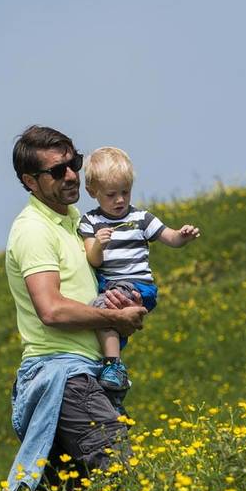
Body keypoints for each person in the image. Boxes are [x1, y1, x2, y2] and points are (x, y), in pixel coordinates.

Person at [3, 125, 149, 491]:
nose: (71, 176)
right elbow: (51, 310)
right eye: (57, 171)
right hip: (63, 375)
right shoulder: (34, 230)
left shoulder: (75, 222)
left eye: (74, 164)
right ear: (30, 182)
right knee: (118, 467)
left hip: (82, 370)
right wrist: (114, 319)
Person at [79, 146, 201, 390]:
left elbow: (170, 238)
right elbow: (94, 260)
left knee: (100, 310)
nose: (120, 200)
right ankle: (113, 377)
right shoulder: (90, 221)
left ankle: (114, 366)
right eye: (111, 194)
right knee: (108, 324)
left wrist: (182, 235)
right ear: (93, 192)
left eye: (126, 192)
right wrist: (99, 245)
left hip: (137, 285)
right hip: (110, 285)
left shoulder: (142, 218)